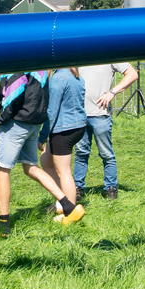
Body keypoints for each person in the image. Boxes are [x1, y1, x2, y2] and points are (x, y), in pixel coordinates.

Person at [0, 71, 82, 236]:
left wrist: (2, 118)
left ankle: (3, 227)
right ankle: (69, 206)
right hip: (34, 121)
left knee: (1, 170)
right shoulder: (40, 62)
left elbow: (14, 89)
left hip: (17, 120)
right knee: (30, 167)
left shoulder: (18, 54)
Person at [73, 62, 138, 202]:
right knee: (80, 153)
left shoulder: (108, 53)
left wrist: (112, 92)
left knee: (106, 154)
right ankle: (77, 189)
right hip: (80, 114)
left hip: (100, 114)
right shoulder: (80, 51)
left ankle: (111, 189)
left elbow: (132, 74)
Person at [39, 68, 88, 218]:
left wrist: (42, 136)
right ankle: (62, 201)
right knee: (46, 161)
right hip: (77, 126)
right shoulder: (76, 75)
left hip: (64, 130)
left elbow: (51, 111)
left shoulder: (58, 79)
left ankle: (71, 211)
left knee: (64, 171)